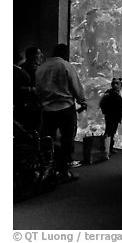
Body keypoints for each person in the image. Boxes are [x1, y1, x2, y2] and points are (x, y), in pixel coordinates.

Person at [35, 43, 87, 182]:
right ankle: (64, 170)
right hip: (65, 108)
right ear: (65, 53)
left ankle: (46, 168)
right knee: (67, 139)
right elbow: (75, 86)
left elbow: (38, 88)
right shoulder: (66, 66)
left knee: (47, 139)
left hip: (47, 109)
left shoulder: (41, 67)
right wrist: (81, 100)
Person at [99, 77, 122, 154]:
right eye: (113, 83)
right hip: (110, 116)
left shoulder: (119, 93)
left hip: (115, 116)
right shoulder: (112, 93)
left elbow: (118, 105)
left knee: (112, 132)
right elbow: (121, 102)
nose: (114, 85)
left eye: (117, 83)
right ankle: (106, 149)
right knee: (109, 132)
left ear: (121, 85)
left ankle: (109, 148)